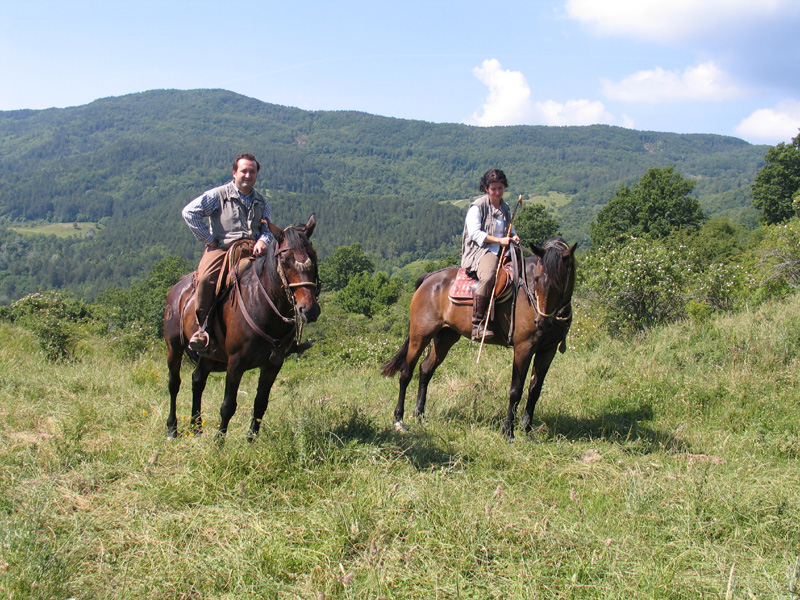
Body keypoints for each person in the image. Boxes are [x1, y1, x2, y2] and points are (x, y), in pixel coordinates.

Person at [182, 153, 273, 354]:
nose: (248, 175)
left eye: (252, 172)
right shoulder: (218, 195)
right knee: (206, 279)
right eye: (244, 171)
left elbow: (267, 229)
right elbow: (189, 212)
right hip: (223, 249)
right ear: (234, 173)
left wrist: (262, 241)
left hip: (253, 250)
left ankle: (284, 334)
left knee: (282, 276)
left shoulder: (261, 201)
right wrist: (208, 239)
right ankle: (202, 329)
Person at [461, 168, 520, 341]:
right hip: (483, 250)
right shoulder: (478, 207)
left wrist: (514, 236)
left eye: (500, 188)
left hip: (504, 248)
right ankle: (478, 324)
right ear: (486, 188)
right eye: (493, 189)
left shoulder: (505, 207)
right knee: (488, 277)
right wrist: (499, 241)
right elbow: (475, 234)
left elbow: (509, 228)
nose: (497, 192)